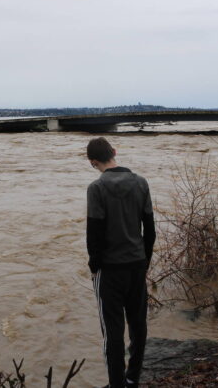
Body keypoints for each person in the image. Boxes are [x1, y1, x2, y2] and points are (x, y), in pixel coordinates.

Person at [86, 137, 155, 388]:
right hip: (136, 265)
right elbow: (150, 229)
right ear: (115, 152)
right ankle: (133, 378)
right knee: (138, 325)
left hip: (110, 269)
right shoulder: (141, 183)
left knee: (112, 332)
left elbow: (93, 234)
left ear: (93, 162)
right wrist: (144, 262)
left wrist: (94, 268)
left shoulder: (96, 188)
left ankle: (117, 384)